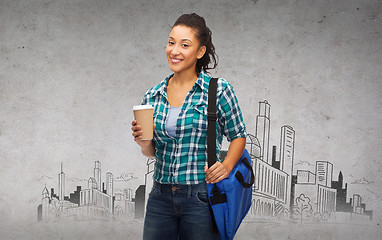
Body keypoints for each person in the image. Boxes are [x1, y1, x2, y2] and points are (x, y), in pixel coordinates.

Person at [131, 13, 247, 240]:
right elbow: (151, 152)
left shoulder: (218, 90)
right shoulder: (152, 95)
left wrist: (226, 165)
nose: (174, 51)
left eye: (184, 45)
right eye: (171, 42)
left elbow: (238, 135)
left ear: (200, 52)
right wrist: (144, 143)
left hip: (201, 197)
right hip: (160, 196)